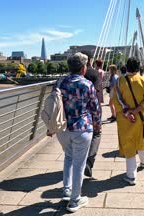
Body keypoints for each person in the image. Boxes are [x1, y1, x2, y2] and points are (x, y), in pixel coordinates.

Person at [51, 52, 101, 213]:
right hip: (82, 128)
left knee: (68, 157)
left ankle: (67, 189)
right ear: (83, 68)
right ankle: (75, 200)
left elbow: (54, 104)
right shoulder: (87, 84)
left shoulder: (60, 82)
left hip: (63, 128)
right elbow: (95, 108)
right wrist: (98, 125)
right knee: (79, 163)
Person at [113, 57, 144, 185]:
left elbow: (116, 100)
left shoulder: (120, 81)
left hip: (125, 119)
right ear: (138, 67)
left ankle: (131, 175)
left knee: (129, 144)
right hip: (140, 117)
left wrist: (127, 112)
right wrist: (136, 110)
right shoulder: (143, 80)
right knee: (140, 139)